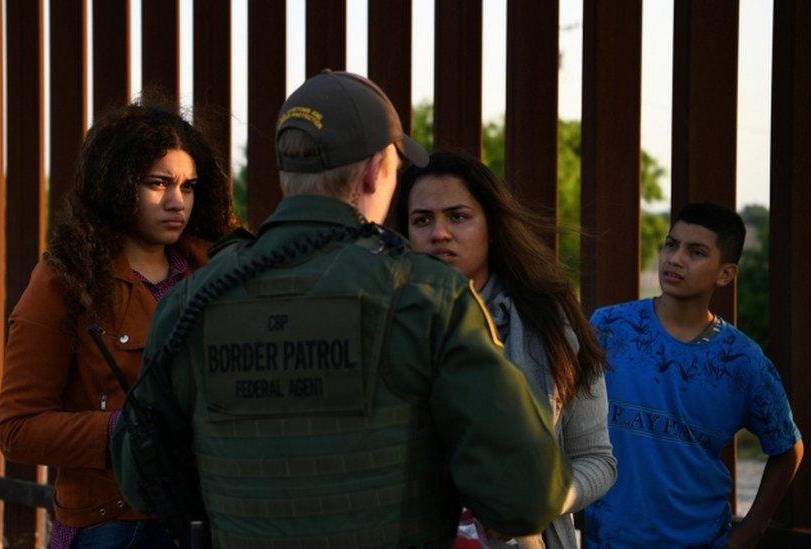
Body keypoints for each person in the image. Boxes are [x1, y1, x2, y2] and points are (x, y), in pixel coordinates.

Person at [111, 70, 572, 547]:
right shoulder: (426, 295)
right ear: (375, 170)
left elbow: (140, 482)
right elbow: (527, 496)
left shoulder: (195, 298)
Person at [0, 97, 234, 549]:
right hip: (114, 522)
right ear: (117, 183)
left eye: (187, 186)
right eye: (157, 183)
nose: (175, 201)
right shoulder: (65, 280)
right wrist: (125, 429)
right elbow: (17, 429)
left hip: (212, 514)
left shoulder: (219, 269)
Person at [396, 151, 616, 549]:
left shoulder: (549, 325)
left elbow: (598, 460)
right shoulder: (385, 323)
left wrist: (538, 501)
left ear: (492, 228)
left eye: (458, 216)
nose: (439, 233)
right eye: (422, 220)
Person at [582, 202, 803, 548]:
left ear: (726, 274)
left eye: (696, 252)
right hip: (607, 539)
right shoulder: (609, 327)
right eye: (671, 244)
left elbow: (788, 450)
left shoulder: (742, 361)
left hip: (699, 540)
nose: (675, 259)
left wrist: (750, 532)